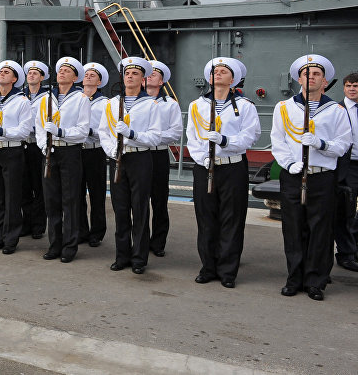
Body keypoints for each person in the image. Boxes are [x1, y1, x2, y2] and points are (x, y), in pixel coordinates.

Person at [271, 54, 350, 300]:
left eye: (317, 74)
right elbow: (278, 140)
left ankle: (316, 281)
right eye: (307, 74)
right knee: (293, 228)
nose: (311, 77)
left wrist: (322, 144)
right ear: (298, 79)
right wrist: (289, 163)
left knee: (321, 229)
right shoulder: (284, 107)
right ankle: (294, 278)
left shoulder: (336, 110)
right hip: (294, 174)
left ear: (325, 81)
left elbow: (344, 143)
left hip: (322, 177)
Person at [186, 57, 261, 288]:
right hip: (205, 165)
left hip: (233, 166)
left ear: (233, 79)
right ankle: (208, 267)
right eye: (214, 71)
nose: (217, 74)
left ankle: (228, 271)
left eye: (223, 71)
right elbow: (192, 137)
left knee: (232, 218)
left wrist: (226, 141)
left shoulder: (245, 106)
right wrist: (203, 158)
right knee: (206, 218)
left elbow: (252, 135)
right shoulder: (196, 105)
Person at [98, 57, 162, 274]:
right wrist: (111, 149)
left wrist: (131, 135)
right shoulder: (112, 103)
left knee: (140, 208)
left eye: (135, 74)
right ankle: (122, 255)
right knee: (120, 208)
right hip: (117, 158)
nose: (130, 77)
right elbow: (103, 131)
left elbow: (155, 137)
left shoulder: (151, 105)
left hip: (140, 158)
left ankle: (139, 258)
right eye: (127, 73)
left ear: (143, 79)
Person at [35, 57, 90, 263]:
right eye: (60, 70)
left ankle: (69, 246)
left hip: (70, 152)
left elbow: (82, 131)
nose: (62, 73)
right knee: (52, 201)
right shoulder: (45, 98)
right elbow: (39, 127)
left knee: (70, 200)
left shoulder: (81, 99)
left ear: (75, 77)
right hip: (50, 152)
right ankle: (54, 244)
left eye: (67, 71)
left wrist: (60, 131)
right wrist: (43, 145)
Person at [0, 60, 32, 254]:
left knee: (11, 198)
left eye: (6, 72)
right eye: (0, 71)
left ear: (15, 79)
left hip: (13, 151)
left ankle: (10, 239)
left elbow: (24, 130)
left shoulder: (22, 101)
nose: (1, 74)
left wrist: (1, 131)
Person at [145, 60, 182, 257]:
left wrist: (151, 136)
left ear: (162, 81)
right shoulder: (133, 102)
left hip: (158, 153)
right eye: (147, 73)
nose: (149, 76)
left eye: (154, 74)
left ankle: (158, 242)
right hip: (138, 154)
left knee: (159, 200)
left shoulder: (170, 105)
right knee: (138, 201)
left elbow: (175, 132)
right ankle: (141, 240)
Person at [79, 62, 110, 247]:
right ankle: (81, 230)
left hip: (95, 150)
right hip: (76, 150)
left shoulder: (105, 103)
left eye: (93, 75)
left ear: (99, 81)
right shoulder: (74, 99)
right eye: (86, 74)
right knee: (76, 193)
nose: (88, 76)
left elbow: (107, 129)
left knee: (97, 193)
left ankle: (97, 232)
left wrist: (89, 131)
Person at [22, 61, 50, 239]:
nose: (31, 75)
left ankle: (39, 226)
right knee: (24, 186)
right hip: (22, 143)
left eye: (35, 73)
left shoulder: (47, 96)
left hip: (38, 145)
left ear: (42, 77)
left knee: (40, 187)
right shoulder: (19, 95)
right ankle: (26, 223)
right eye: (29, 73)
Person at [335, 72, 358, 272]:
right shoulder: (336, 109)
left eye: (356, 86)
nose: (352, 89)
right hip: (348, 165)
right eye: (349, 85)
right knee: (346, 211)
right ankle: (346, 254)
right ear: (344, 88)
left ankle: (355, 248)